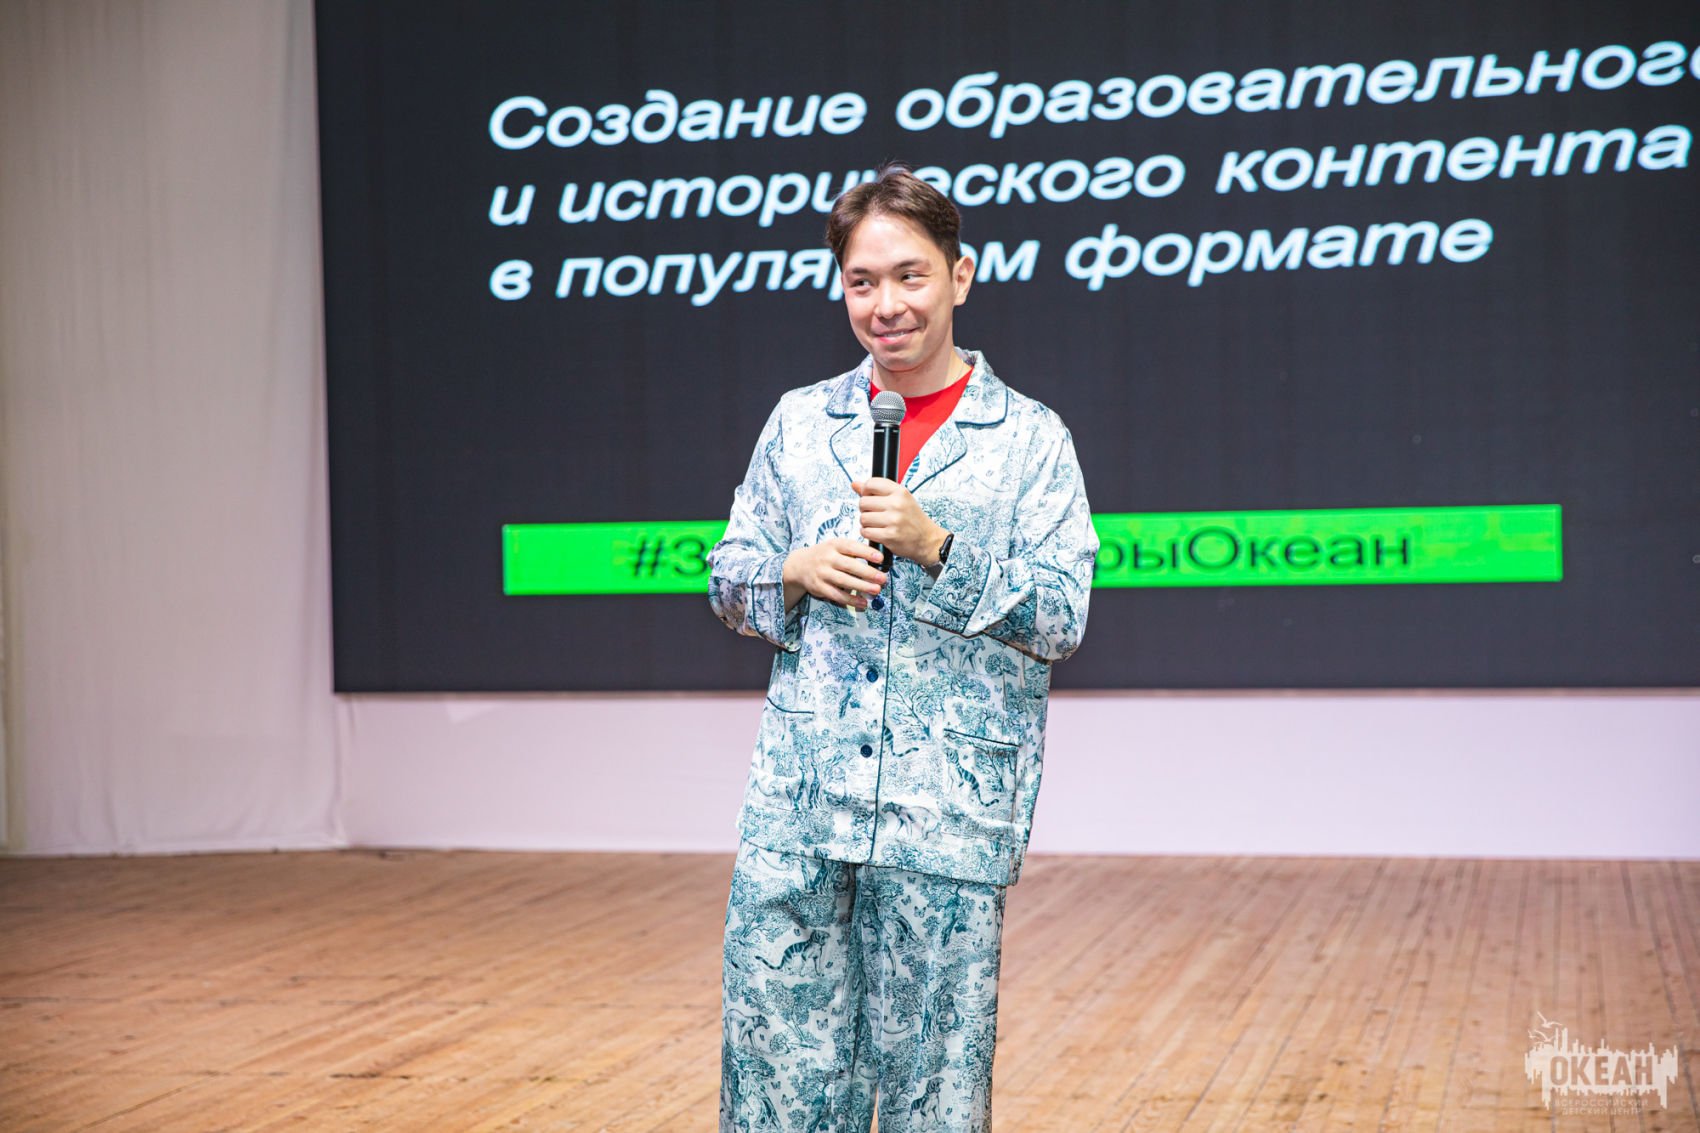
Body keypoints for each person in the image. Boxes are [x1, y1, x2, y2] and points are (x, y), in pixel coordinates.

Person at [708, 161, 1097, 1132]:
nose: (886, 305)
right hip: (799, 814)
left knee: (933, 1098)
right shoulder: (801, 422)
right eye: (862, 282)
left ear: (959, 276)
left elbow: (1061, 616)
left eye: (909, 276)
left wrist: (938, 549)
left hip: (946, 821)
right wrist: (794, 569)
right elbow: (728, 577)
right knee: (776, 1092)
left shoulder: (1030, 439)